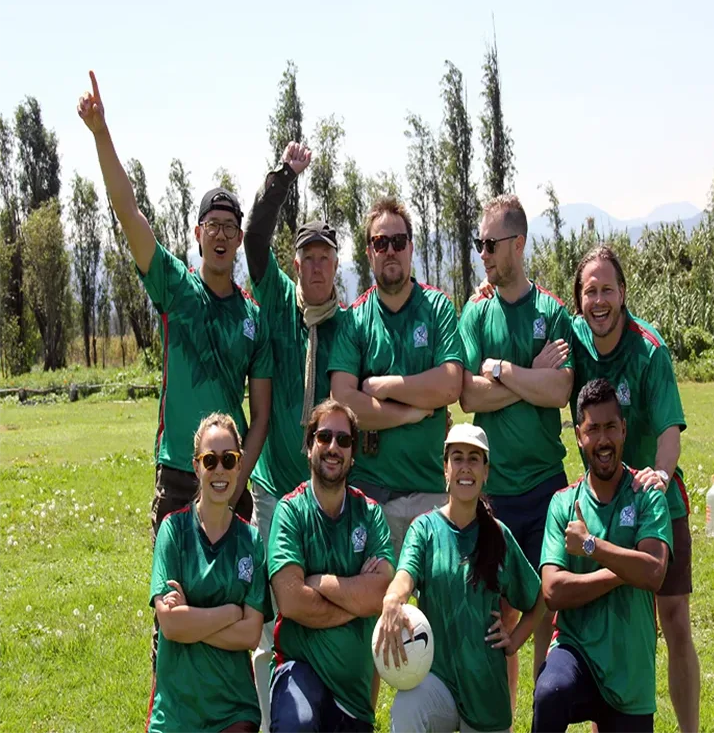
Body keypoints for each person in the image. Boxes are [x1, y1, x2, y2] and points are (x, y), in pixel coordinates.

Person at [77, 71, 273, 536]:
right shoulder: (175, 287)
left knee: (235, 600)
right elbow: (129, 212)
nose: (222, 234)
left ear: (240, 239)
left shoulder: (254, 318)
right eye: (213, 225)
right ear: (198, 234)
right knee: (172, 598)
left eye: (231, 226)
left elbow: (261, 414)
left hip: (232, 471)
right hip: (179, 475)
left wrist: (237, 476)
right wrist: (102, 133)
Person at [570, 245, 699, 733]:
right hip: (602, 506)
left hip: (655, 504)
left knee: (674, 620)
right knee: (612, 628)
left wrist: (661, 475)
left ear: (622, 294)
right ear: (579, 300)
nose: (599, 300)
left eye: (607, 289)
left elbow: (669, 430)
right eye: (590, 291)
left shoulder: (650, 349)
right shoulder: (574, 339)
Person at [458, 194, 574, 705]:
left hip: (546, 488)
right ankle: (501, 718)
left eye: (490, 243)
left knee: (545, 609)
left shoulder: (552, 312)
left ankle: (543, 711)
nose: (483, 253)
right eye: (479, 244)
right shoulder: (477, 311)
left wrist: (504, 370)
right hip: (495, 493)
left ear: (519, 243)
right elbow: (467, 395)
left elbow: (560, 391)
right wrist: (532, 372)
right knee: (499, 617)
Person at [242, 142, 343, 726]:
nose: (314, 266)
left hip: (326, 494)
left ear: (336, 264)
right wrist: (283, 176)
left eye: (324, 257)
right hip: (275, 484)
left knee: (319, 602)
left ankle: (325, 704)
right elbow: (254, 239)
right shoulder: (279, 300)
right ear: (295, 261)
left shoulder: (350, 325)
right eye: (305, 255)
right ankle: (263, 713)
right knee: (267, 608)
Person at [375, 423, 545, 733]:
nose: (465, 467)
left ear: (485, 471)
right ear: (445, 469)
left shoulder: (499, 536)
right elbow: (404, 576)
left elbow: (539, 598)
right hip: (436, 678)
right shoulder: (424, 528)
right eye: (457, 458)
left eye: (474, 459)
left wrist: (514, 640)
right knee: (407, 708)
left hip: (485, 689)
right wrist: (392, 599)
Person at [534, 378, 672, 733]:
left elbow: (654, 572)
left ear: (624, 430)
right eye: (592, 429)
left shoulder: (647, 496)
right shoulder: (563, 503)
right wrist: (625, 567)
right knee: (550, 693)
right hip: (575, 651)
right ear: (579, 436)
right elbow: (553, 591)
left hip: (630, 672)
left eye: (611, 427)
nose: (603, 440)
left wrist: (592, 546)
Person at [329, 197, 464, 556]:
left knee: (439, 609)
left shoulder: (437, 308)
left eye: (399, 241)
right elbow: (343, 401)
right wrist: (412, 412)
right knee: (374, 605)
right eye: (380, 242)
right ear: (369, 253)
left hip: (433, 491)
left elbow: (450, 383)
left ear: (412, 248)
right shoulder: (354, 318)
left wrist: (380, 387)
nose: (391, 250)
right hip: (371, 493)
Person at [268, 398, 395, 732]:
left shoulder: (370, 514)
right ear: (309, 445)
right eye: (324, 437)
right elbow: (291, 600)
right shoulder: (290, 511)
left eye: (344, 440)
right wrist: (358, 601)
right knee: (298, 724)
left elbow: (382, 591)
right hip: (299, 669)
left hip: (354, 694)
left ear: (353, 453)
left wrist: (320, 582)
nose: (333, 447)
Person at [148, 413, 269, 733]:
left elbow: (250, 635)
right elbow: (170, 625)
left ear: (240, 465)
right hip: (176, 711)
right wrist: (231, 612)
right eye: (210, 460)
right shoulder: (173, 531)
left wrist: (192, 616)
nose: (219, 470)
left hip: (233, 709)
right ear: (196, 466)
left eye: (228, 460)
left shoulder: (251, 541)